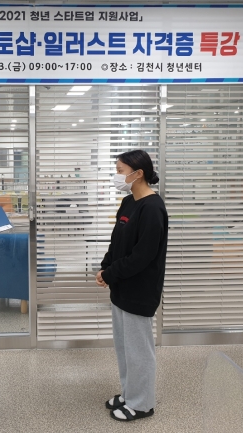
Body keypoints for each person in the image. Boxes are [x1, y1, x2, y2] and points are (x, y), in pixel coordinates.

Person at [96, 149, 168, 423]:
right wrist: (105, 268)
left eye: (120, 170)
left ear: (138, 173)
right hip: (121, 288)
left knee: (139, 351)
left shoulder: (153, 208)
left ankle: (142, 404)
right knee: (125, 348)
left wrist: (111, 274)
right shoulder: (129, 202)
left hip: (140, 290)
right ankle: (130, 394)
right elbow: (117, 241)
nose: (116, 176)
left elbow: (143, 255)